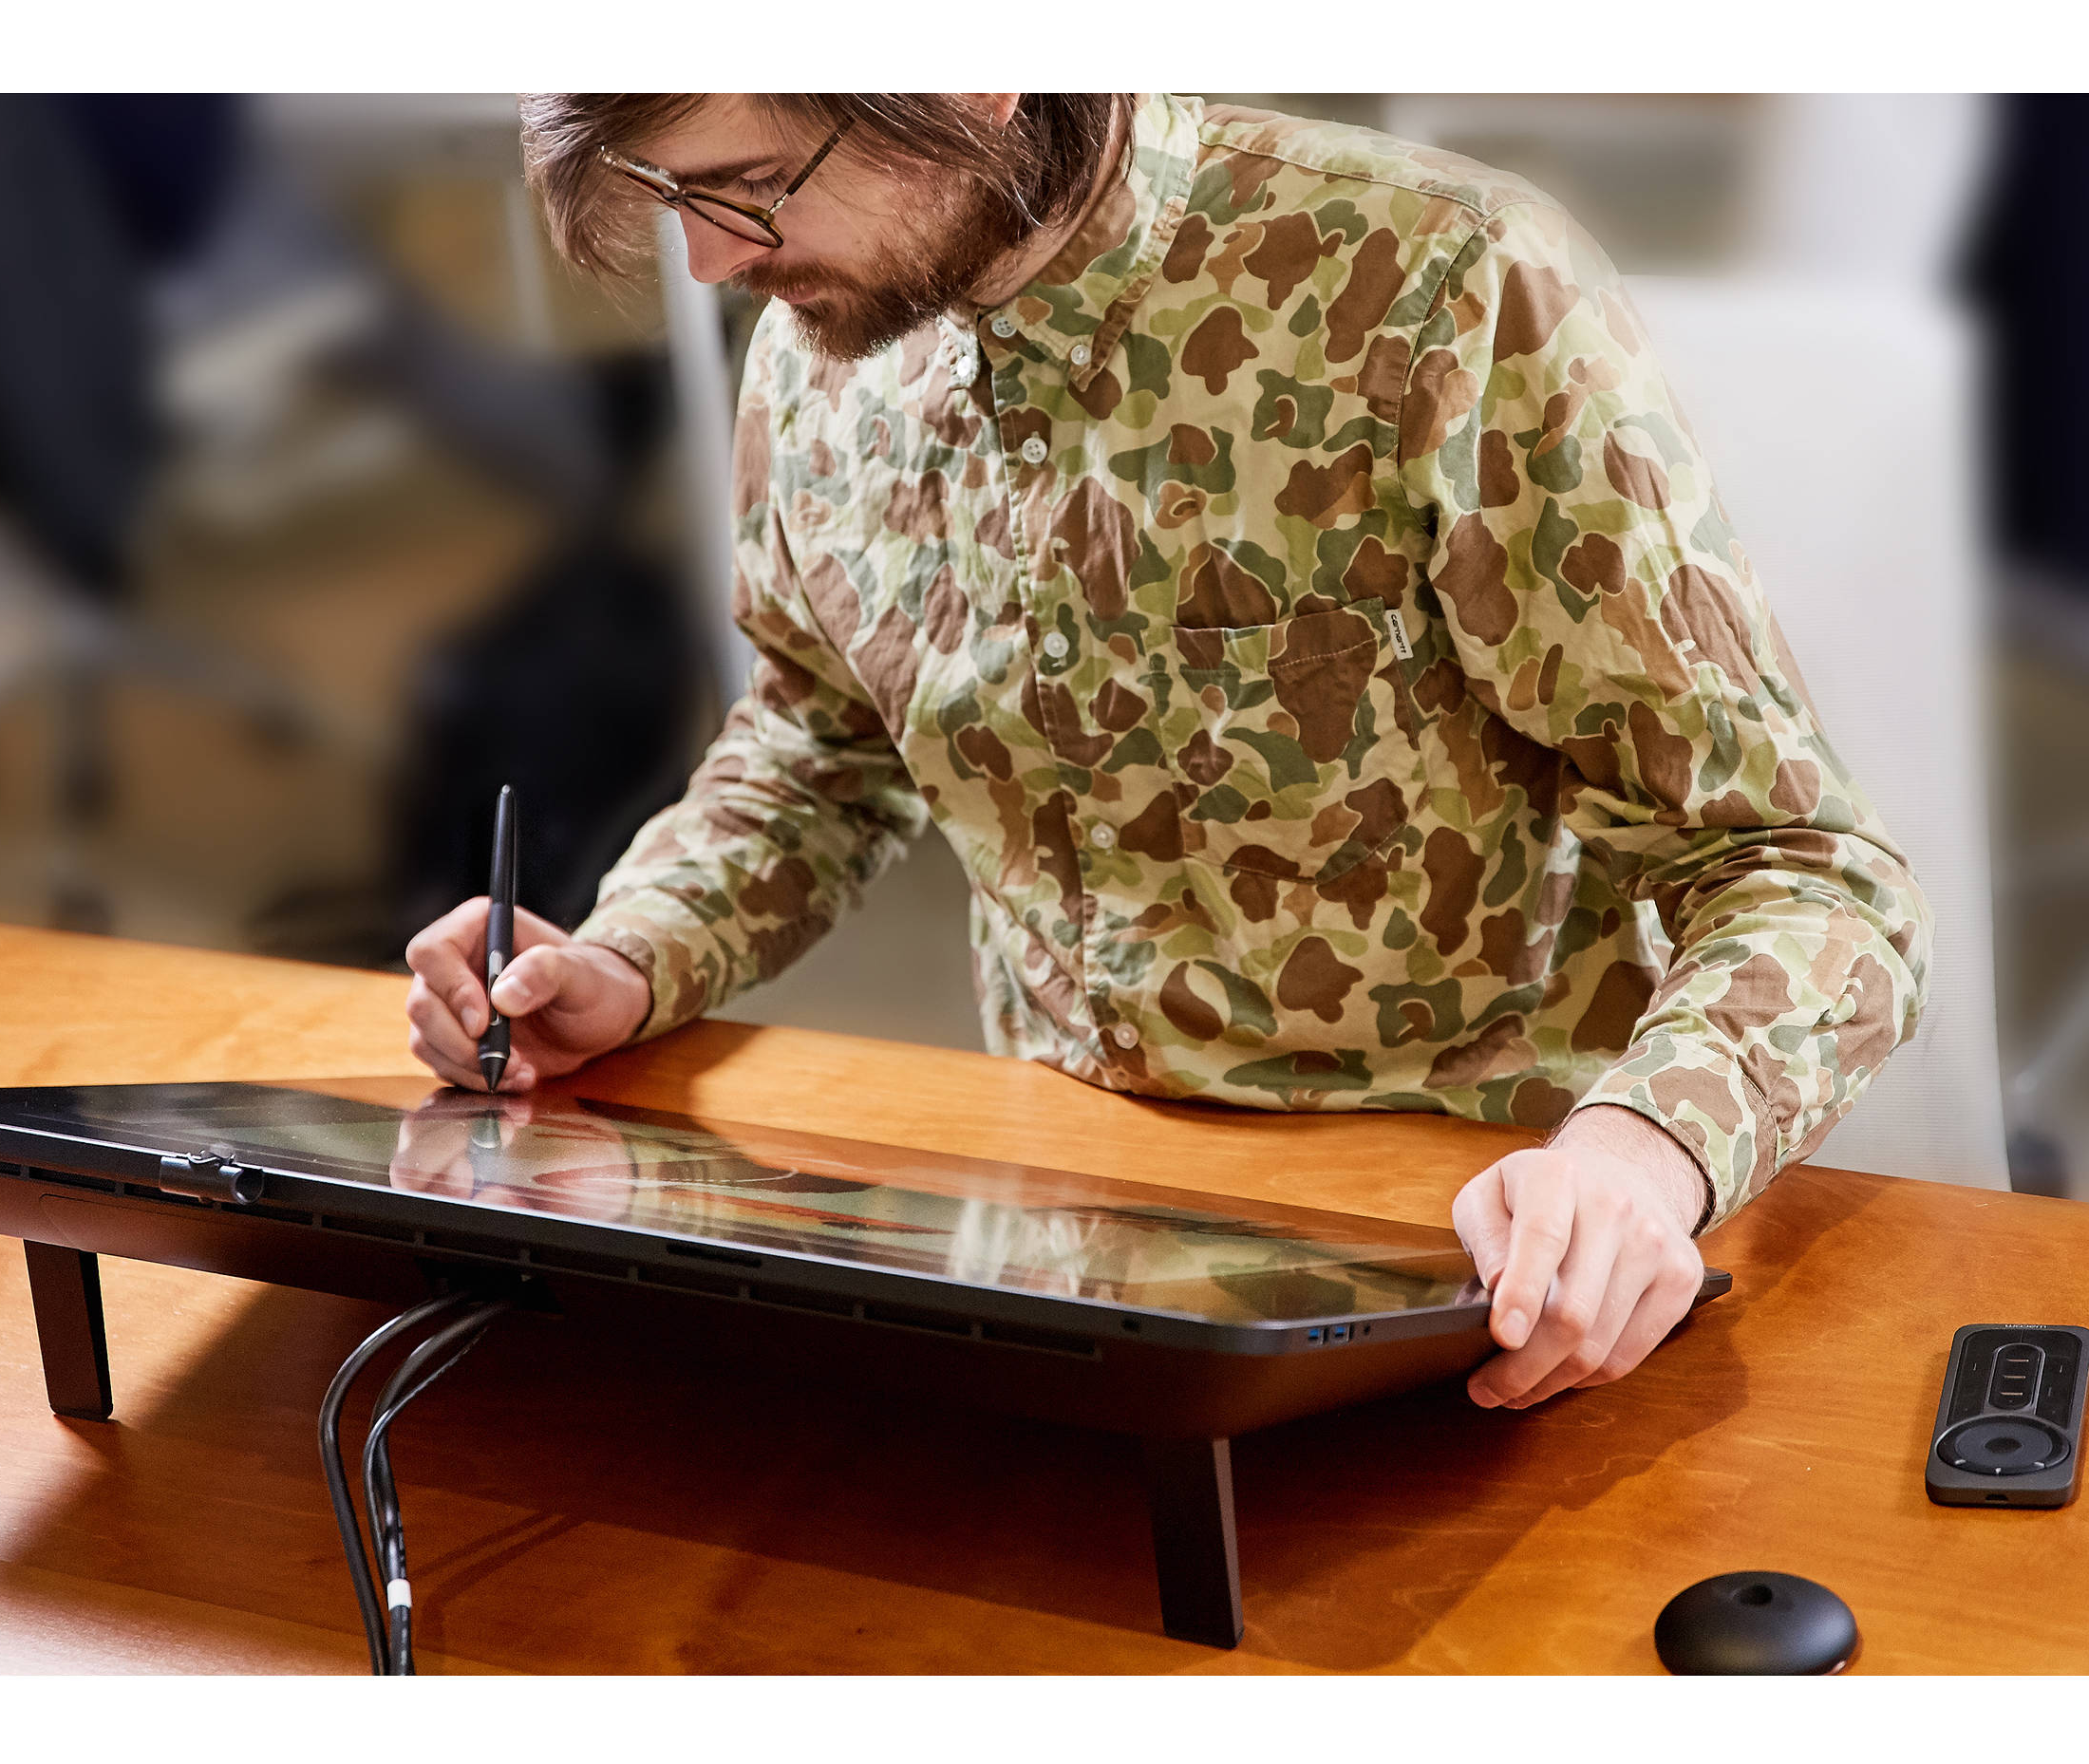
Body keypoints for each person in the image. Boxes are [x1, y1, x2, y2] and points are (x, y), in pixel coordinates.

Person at [405, 93, 1930, 1415]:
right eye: (670, 197)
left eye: (748, 186)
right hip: (1060, 1253)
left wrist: (1641, 1158)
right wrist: (627, 958)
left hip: (1481, 1250)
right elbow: (822, 741)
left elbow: (1803, 872)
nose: (713, 263)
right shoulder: (830, 345)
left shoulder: (1431, 290)